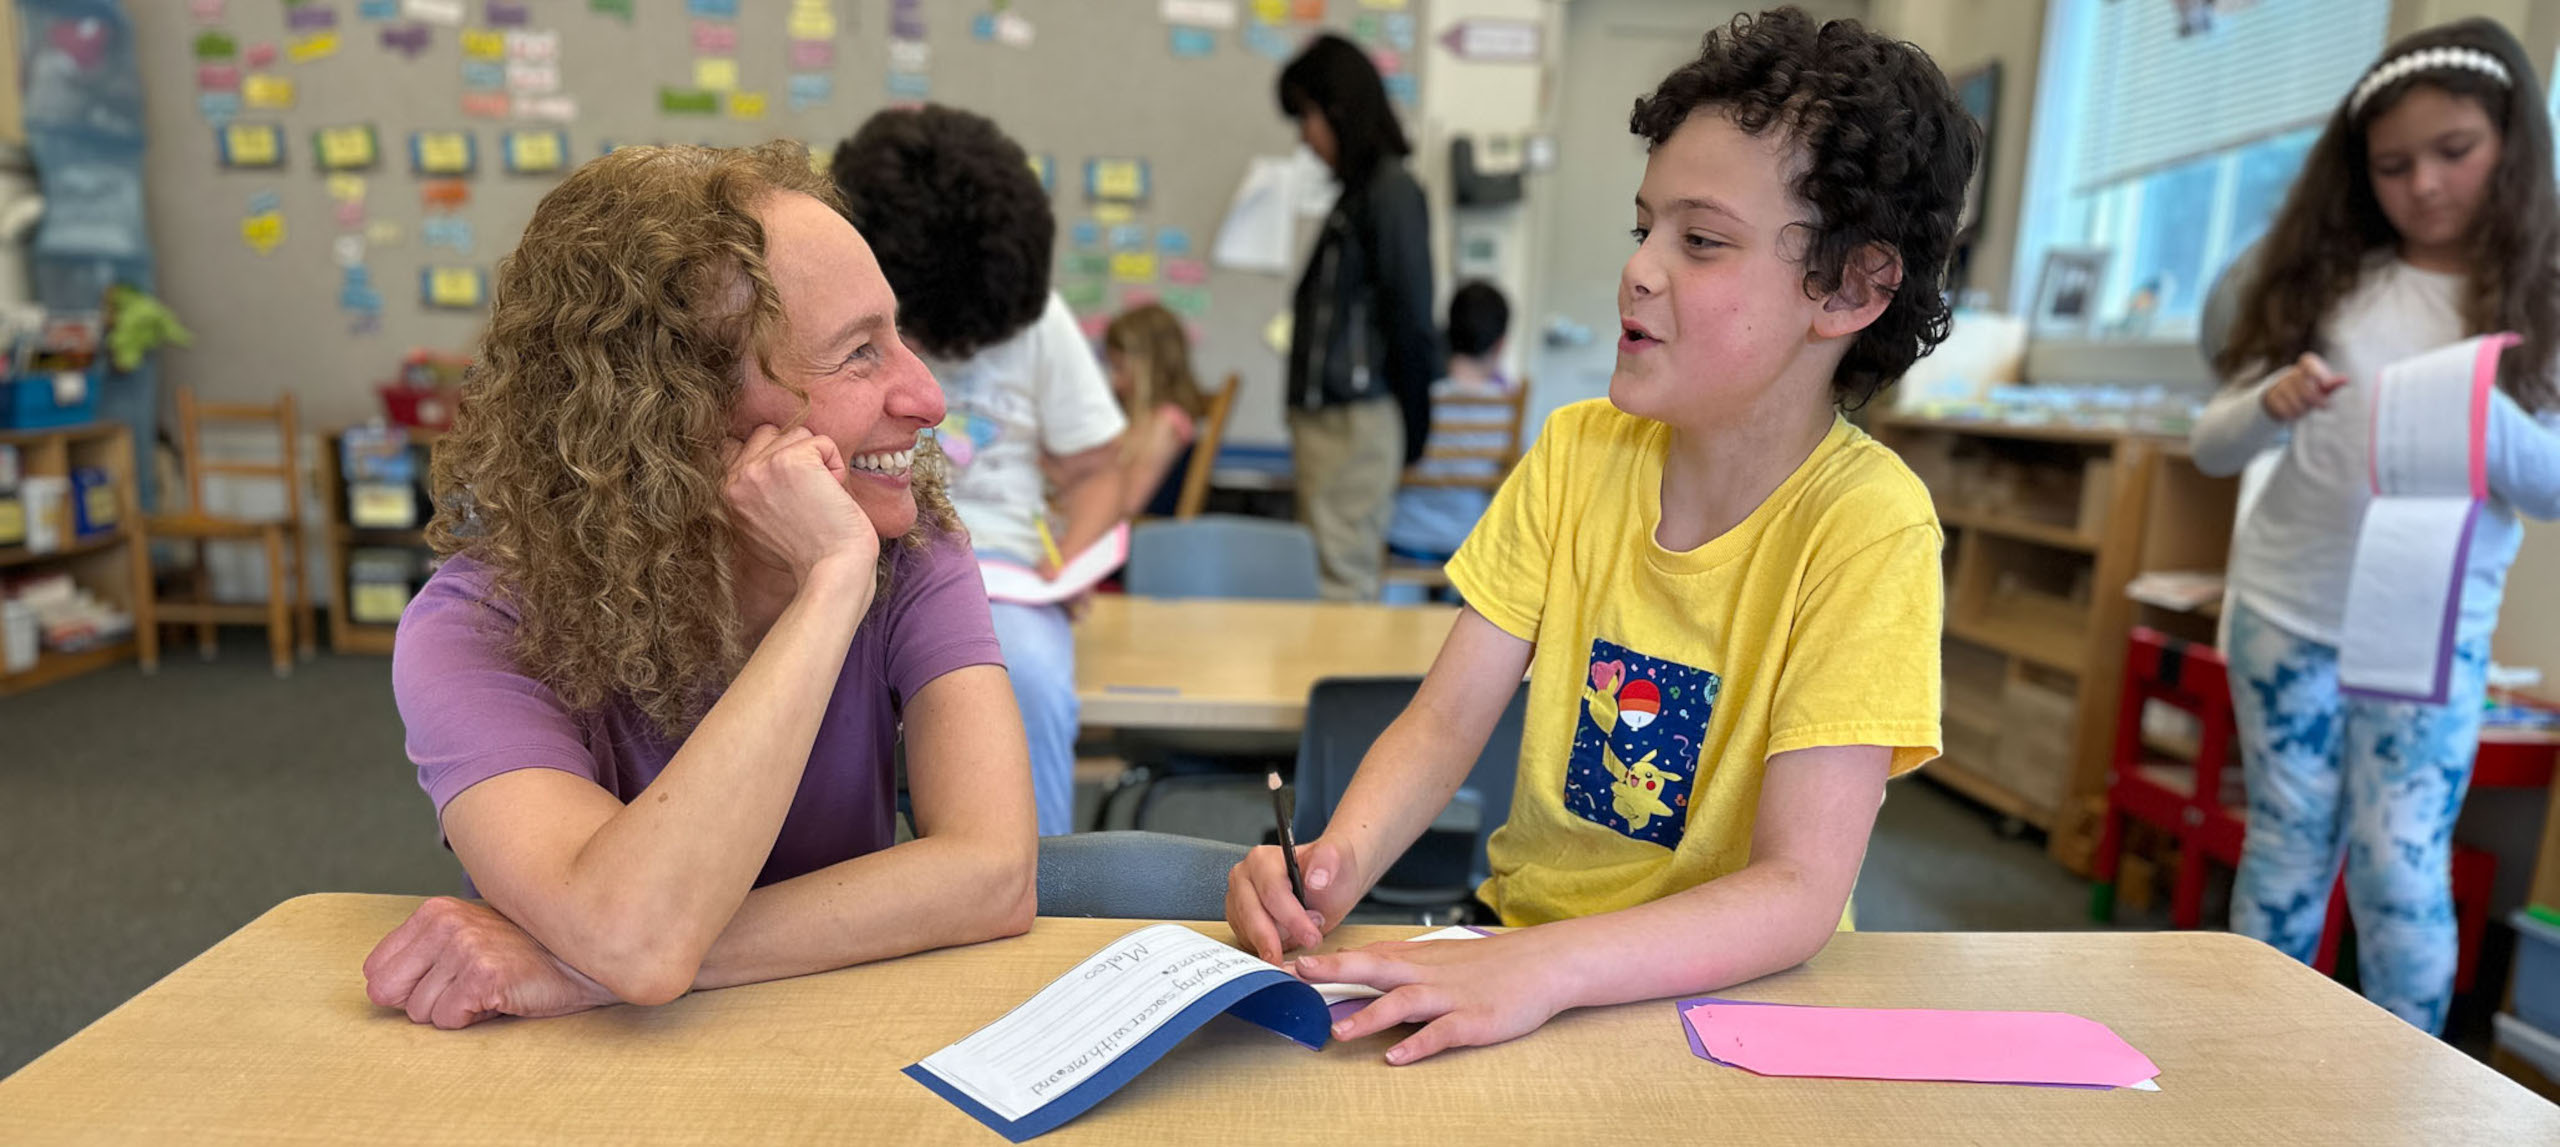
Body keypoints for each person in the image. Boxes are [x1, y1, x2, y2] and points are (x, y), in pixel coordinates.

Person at [1226, 9, 1974, 1064]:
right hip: (1520, 957)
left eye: (1700, 241)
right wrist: (1333, 861)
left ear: (1850, 288)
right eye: (1643, 229)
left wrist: (1545, 966)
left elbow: (1800, 888)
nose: (1641, 269)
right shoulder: (1579, 451)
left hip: (1732, 1008)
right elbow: (1444, 723)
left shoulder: (1867, 524)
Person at [362, 142, 1038, 1030]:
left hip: (832, 1033)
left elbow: (994, 873)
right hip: (576, 1076)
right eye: (858, 354)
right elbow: (636, 935)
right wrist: (831, 585)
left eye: (897, 334)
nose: (926, 395)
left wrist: (585, 966)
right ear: (672, 414)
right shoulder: (477, 625)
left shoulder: (909, 546)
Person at [2189, 17, 2560, 1034]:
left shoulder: (2540, 301)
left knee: (2400, 869)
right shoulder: (2326, 279)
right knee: (2286, 848)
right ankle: (2254, 1058)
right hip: (2287, 613)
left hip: (2430, 637)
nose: (2425, 185)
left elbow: (2550, 489)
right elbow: (2211, 444)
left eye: (2454, 152)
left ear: (2511, 145)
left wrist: (2487, 415)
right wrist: (2267, 404)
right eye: (2393, 166)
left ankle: (2404, 1088)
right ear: (2360, 172)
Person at [833, 106, 1128, 838]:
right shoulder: (835, 313)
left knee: (1028, 677)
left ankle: (1038, 875)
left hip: (1003, 574)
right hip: (847, 557)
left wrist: (1069, 563)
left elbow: (1099, 470)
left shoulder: (1039, 322)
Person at [1279, 33, 1442, 601]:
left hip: (1353, 418)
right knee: (1328, 578)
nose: (1305, 136)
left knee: (1339, 584)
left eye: (1307, 115)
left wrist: (1415, 425)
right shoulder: (1362, 194)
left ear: (1340, 109)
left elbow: (1412, 317)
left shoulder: (1390, 192)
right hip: (1335, 419)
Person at [1386, 280, 1515, 563]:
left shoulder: (1415, 399)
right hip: (1468, 544)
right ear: (1500, 344)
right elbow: (1513, 484)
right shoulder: (1507, 409)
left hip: (1404, 535)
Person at [1102, 303, 1211, 520]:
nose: (1115, 381)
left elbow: (1129, 505)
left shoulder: (1166, 423)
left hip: (1143, 533)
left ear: (1149, 368)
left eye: (1120, 368)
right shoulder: (1138, 421)